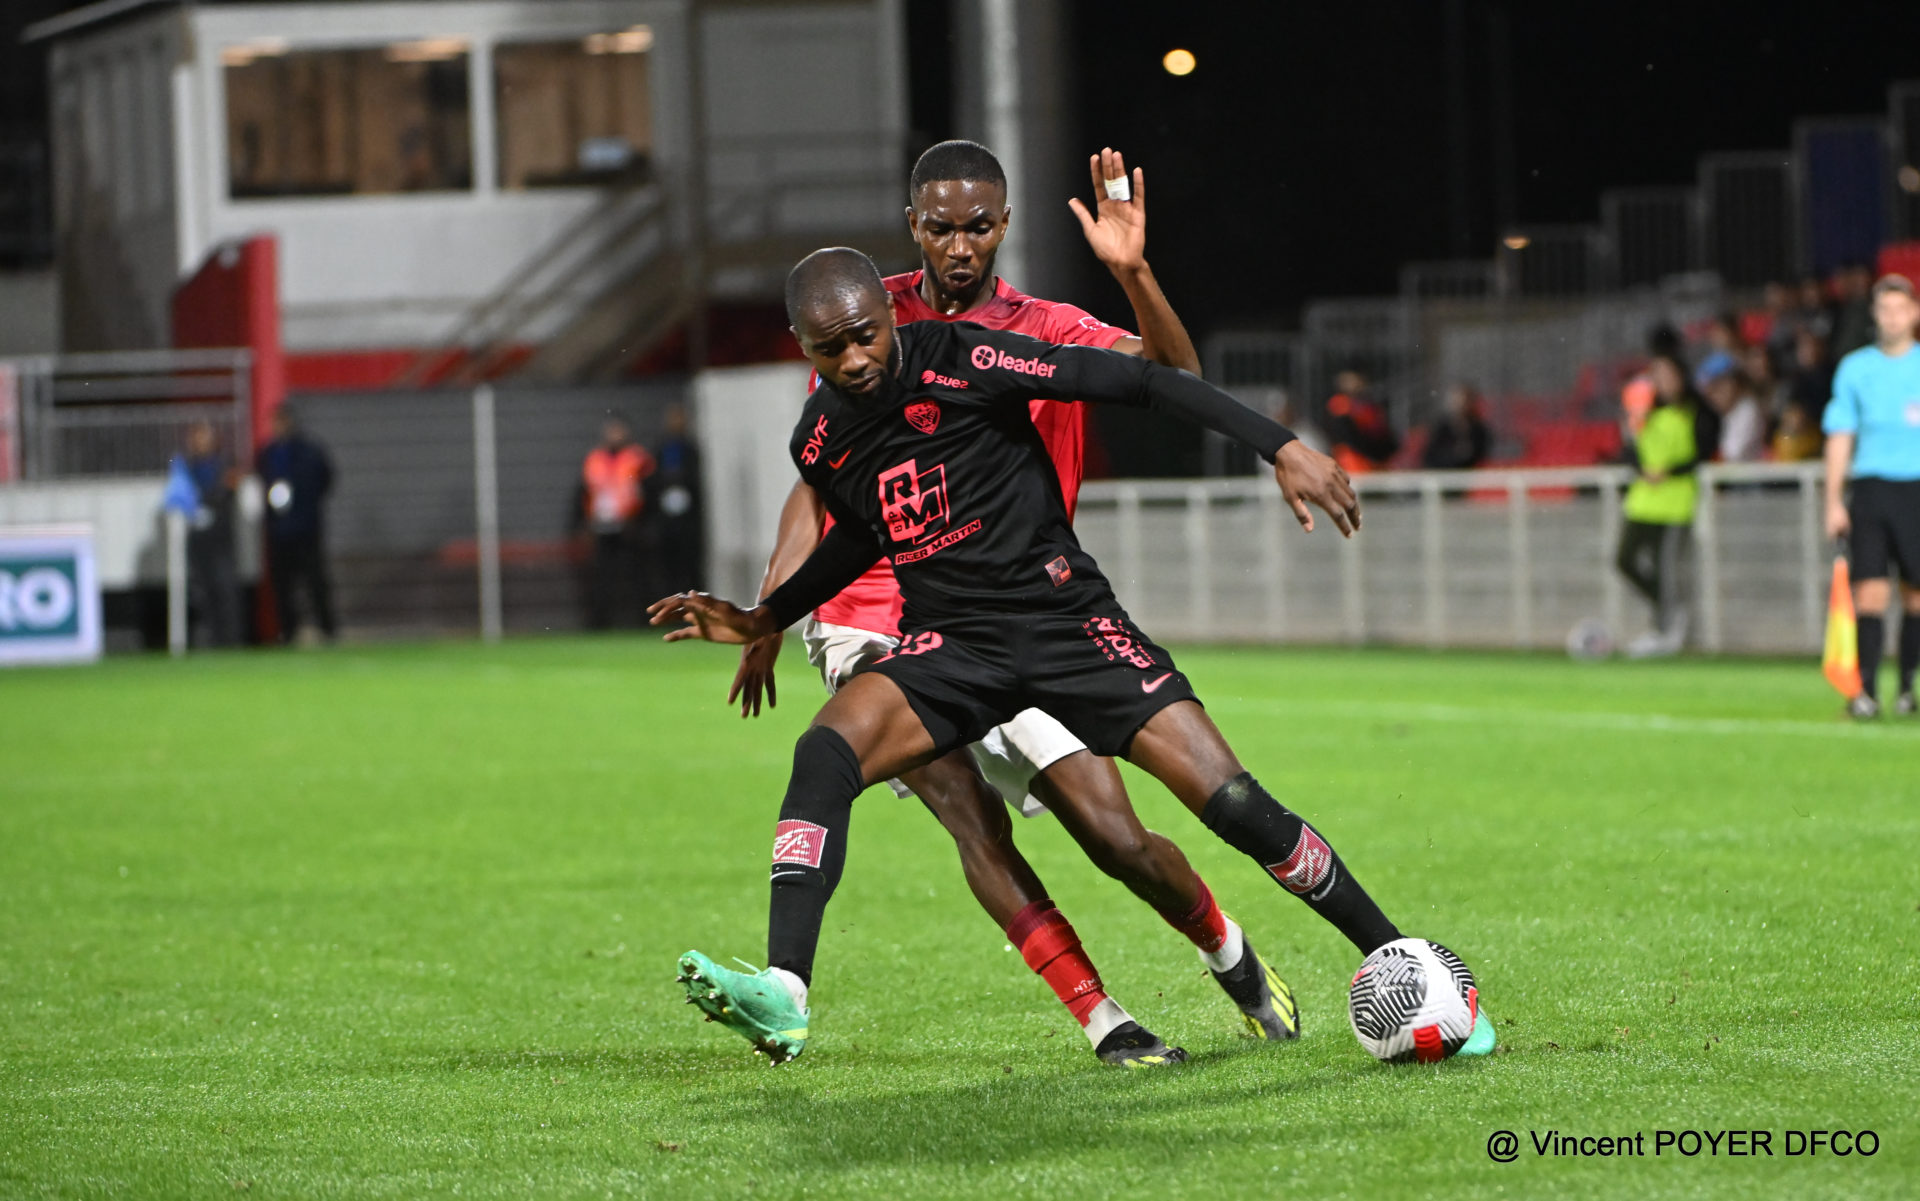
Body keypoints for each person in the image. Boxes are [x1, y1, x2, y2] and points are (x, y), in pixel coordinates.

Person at [654, 247, 1495, 1067]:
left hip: (1068, 625)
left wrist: (1280, 444)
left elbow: (1147, 380)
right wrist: (767, 614)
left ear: (888, 314)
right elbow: (871, 530)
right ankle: (786, 989)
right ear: (802, 347)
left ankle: (1405, 959)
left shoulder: (967, 355)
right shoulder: (820, 438)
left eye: (865, 335)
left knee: (1231, 804)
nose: (854, 359)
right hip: (955, 646)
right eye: (829, 348)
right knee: (825, 752)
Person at [718, 143, 1297, 1067]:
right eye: (939, 227)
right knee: (968, 813)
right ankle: (1104, 1019)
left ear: (1004, 226)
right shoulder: (862, 313)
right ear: (913, 225)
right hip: (874, 610)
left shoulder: (1046, 326)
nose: (958, 246)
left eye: (977, 227)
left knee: (1114, 835)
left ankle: (1226, 948)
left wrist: (1135, 274)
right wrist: (771, 610)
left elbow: (1174, 374)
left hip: (1019, 609)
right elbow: (820, 482)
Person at [1822, 273, 1920, 719]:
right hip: (1872, 489)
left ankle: (1908, 688)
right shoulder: (1855, 368)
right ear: (1875, 315)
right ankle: (1865, 692)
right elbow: (1840, 435)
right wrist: (1832, 500)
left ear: (1914, 313)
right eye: (1885, 310)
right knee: (1870, 594)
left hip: (1916, 489)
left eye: (1901, 309)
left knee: (1915, 596)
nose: (1893, 318)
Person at [1614, 354, 1700, 658]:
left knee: (1665, 569)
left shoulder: (1689, 412)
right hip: (1642, 503)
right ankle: (1668, 614)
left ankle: (1665, 628)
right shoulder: (1642, 416)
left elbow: (1698, 454)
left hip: (1674, 504)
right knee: (1625, 560)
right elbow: (1628, 452)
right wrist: (1642, 467)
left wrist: (1669, 471)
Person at [255, 406, 337, 644]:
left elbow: (325, 480)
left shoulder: (310, 450)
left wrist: (305, 505)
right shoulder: (267, 453)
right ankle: (289, 631)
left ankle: (327, 628)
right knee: (283, 585)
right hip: (279, 530)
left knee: (315, 581)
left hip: (306, 528)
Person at [572, 415, 654, 629]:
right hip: (601, 526)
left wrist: (642, 522)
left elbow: (648, 492)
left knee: (638, 575)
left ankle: (644, 620)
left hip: (630, 526)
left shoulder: (638, 458)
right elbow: (584, 492)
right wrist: (583, 523)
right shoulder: (595, 459)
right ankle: (599, 622)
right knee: (601, 578)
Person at [183, 421, 243, 646]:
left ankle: (232, 640)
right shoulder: (188, 467)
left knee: (225, 589)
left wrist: (208, 506)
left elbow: (229, 491)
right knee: (204, 592)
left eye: (204, 437)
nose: (200, 442)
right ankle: (214, 640)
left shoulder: (225, 463)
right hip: (199, 540)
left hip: (221, 538)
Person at [648, 404, 704, 596]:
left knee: (689, 565)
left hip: (687, 521)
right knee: (668, 567)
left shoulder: (690, 448)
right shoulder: (661, 448)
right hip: (666, 521)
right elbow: (652, 482)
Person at [1694, 351, 1764, 463]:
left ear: (1732, 383)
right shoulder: (1729, 413)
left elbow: (1734, 454)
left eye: (1716, 389)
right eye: (1709, 394)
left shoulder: (1748, 409)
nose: (1713, 398)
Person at [1325, 370, 1398, 473]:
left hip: (1375, 459)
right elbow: (1348, 436)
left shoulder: (1368, 406)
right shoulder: (1340, 406)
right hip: (1354, 461)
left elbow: (1381, 433)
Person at [1419, 383, 1491, 469]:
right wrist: (1454, 455)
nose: (1460, 405)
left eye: (1464, 400)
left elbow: (1481, 455)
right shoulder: (1442, 428)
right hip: (1444, 473)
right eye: (1456, 400)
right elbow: (1430, 457)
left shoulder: (1478, 430)